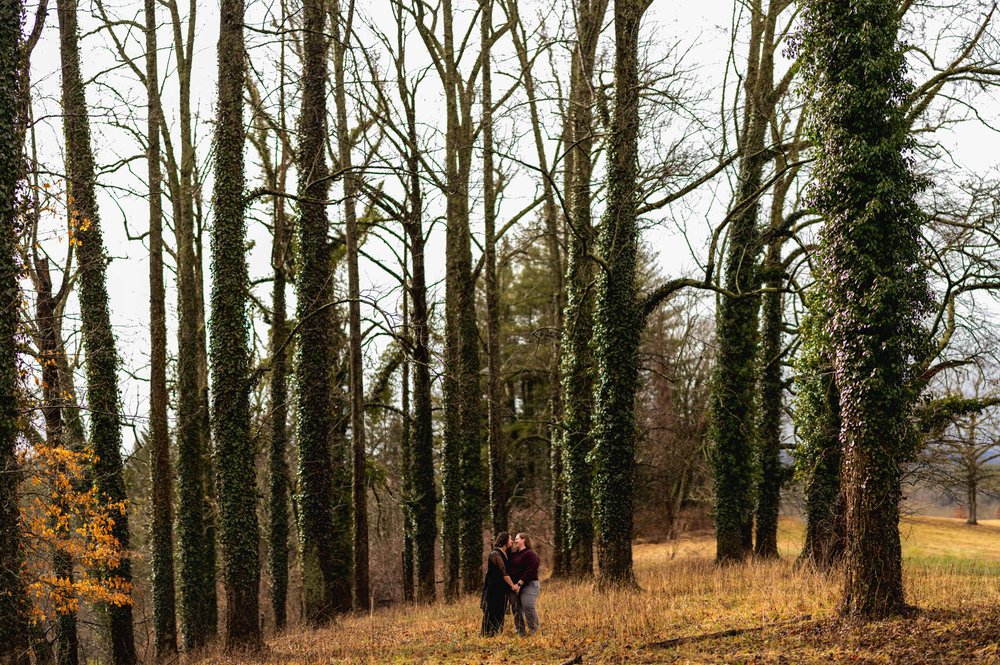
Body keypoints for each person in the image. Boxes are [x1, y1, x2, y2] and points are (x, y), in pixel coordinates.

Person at [481, 532, 518, 636]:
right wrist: (513, 586)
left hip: (502, 589)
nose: (512, 541)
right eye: (510, 539)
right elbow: (504, 573)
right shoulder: (495, 554)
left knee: (500, 612)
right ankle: (487, 635)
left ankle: (497, 634)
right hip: (494, 589)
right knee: (492, 611)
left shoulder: (507, 553)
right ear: (505, 540)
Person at [507, 532, 541, 635]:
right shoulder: (513, 554)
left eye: (517, 538)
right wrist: (513, 585)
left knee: (528, 606)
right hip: (514, 586)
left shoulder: (530, 554)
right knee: (516, 608)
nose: (514, 541)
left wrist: (519, 583)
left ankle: (535, 631)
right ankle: (520, 632)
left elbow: (531, 570)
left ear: (524, 540)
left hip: (529, 584)